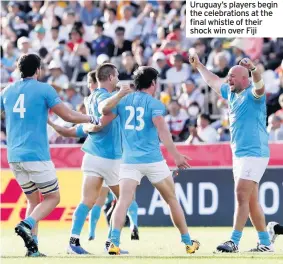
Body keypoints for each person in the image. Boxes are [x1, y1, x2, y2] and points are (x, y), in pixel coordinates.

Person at [0, 54, 96, 257]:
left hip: (14, 155)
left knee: (33, 201)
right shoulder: (44, 89)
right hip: (35, 154)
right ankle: (26, 224)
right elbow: (68, 115)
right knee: (53, 197)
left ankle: (32, 249)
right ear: (38, 70)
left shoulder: (7, 91)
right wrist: (90, 117)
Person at [99, 66, 200, 255]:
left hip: (129, 161)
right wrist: (176, 156)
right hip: (153, 160)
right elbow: (163, 131)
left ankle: (113, 242)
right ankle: (188, 243)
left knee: (122, 202)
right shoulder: (155, 104)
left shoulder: (123, 101)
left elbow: (104, 111)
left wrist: (119, 95)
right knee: (171, 200)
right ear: (153, 83)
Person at [189, 53, 273, 252]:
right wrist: (200, 65)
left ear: (245, 79)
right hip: (240, 154)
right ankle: (266, 244)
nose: (229, 79)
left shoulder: (253, 94)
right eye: (229, 75)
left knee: (241, 195)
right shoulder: (231, 93)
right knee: (251, 202)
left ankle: (234, 241)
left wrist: (254, 69)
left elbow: (260, 86)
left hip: (255, 152)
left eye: (233, 76)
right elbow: (213, 82)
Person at [65, 64, 128, 255]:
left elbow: (95, 122)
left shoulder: (91, 96)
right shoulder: (105, 97)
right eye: (116, 75)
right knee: (125, 199)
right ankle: (112, 242)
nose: (118, 78)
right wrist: (121, 94)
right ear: (109, 77)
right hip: (109, 157)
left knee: (87, 200)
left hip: (92, 154)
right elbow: (104, 112)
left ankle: (73, 241)